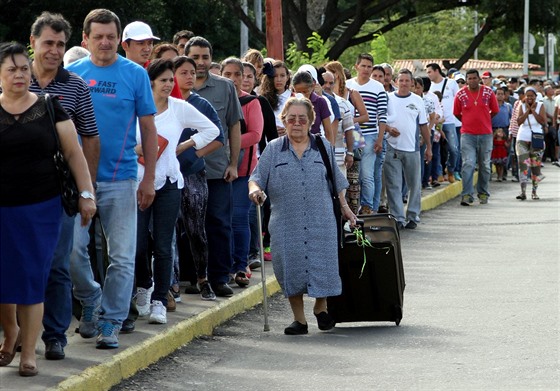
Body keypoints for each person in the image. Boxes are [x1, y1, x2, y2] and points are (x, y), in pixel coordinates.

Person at [0, 42, 96, 376]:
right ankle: (10, 332)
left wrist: (86, 194)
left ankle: (29, 352)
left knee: (31, 276)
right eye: (11, 69)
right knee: (4, 275)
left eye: (24, 68)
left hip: (42, 207)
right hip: (2, 209)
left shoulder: (50, 106)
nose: (19, 75)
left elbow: (74, 154)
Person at [66, 8, 159, 349]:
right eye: (98, 36)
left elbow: (148, 128)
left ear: (118, 40)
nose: (104, 42)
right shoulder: (71, 75)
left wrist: (148, 177)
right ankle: (90, 298)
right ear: (85, 40)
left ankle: (111, 321)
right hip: (79, 181)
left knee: (122, 256)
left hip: (121, 179)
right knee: (74, 253)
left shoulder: (134, 75)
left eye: (110, 36)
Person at [248, 97, 356, 335]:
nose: (296, 123)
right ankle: (299, 320)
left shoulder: (323, 147)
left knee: (323, 265)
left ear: (310, 122)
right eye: (291, 119)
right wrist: (255, 190)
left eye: (302, 119)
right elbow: (256, 178)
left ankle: (321, 307)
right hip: (286, 222)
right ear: (284, 120)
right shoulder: (274, 148)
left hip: (321, 220)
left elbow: (337, 184)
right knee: (291, 267)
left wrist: (346, 209)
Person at [27, 11, 100, 361]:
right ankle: (16, 336)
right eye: (48, 43)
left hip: (59, 192)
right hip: (13, 193)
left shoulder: (75, 86)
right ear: (33, 43)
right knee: (17, 263)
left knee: (57, 264)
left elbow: (90, 138)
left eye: (60, 44)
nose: (54, 51)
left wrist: (87, 190)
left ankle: (55, 335)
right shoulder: (10, 80)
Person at [134, 59, 219, 324]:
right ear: (150, 83)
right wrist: (134, 150)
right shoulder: (135, 107)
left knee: (162, 244)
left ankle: (160, 298)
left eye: (172, 80)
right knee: (136, 244)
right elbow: (117, 138)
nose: (169, 85)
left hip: (169, 183)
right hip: (136, 183)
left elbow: (213, 130)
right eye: (164, 80)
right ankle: (143, 288)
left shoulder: (180, 107)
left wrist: (186, 145)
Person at [185, 36, 243, 297]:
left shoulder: (225, 87)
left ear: (211, 58)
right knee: (187, 226)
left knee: (218, 223)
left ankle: (220, 277)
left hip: (218, 169)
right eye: (195, 57)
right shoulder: (174, 85)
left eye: (205, 57)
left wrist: (233, 163)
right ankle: (191, 277)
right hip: (183, 169)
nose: (200, 62)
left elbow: (233, 125)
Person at [172, 55, 224, 301]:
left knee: (195, 229)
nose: (190, 76)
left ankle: (203, 278)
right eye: (184, 72)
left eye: (192, 72)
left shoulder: (201, 104)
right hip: (166, 175)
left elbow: (218, 137)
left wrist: (195, 153)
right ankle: (171, 284)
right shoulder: (163, 102)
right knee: (168, 232)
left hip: (193, 174)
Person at [220, 57, 263, 286]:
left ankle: (240, 266)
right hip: (215, 169)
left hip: (244, 171)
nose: (234, 79)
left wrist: (227, 141)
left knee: (238, 218)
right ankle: (222, 268)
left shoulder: (251, 102)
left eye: (238, 74)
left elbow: (255, 135)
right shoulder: (215, 99)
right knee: (220, 221)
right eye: (228, 74)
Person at [384, 69, 432, 229]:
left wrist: (429, 147)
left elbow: (423, 125)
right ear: (396, 81)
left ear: (412, 83)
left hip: (412, 148)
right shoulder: (388, 99)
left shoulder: (418, 100)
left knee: (414, 184)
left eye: (407, 80)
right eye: (401, 80)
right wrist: (389, 130)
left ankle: (412, 215)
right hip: (392, 148)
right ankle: (397, 217)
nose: (404, 83)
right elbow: (381, 121)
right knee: (394, 185)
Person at [346, 54, 387, 215]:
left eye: (369, 66)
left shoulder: (378, 87)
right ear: (356, 66)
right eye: (363, 66)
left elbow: (382, 115)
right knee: (352, 173)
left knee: (367, 174)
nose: (366, 69)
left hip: (370, 134)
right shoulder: (348, 85)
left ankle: (367, 206)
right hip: (352, 134)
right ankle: (352, 206)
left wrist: (380, 138)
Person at [453, 69, 499, 206]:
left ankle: (483, 192)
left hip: (485, 134)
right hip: (468, 135)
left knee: (484, 165)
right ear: (466, 80)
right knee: (468, 164)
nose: (472, 81)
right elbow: (456, 113)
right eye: (469, 78)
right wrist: (468, 122)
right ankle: (466, 194)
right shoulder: (460, 94)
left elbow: (495, 110)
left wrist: (484, 120)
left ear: (479, 79)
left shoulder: (488, 92)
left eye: (474, 78)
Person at [426, 63, 461, 183]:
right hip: (435, 123)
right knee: (436, 150)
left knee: (453, 149)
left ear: (437, 71)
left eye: (429, 72)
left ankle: (450, 170)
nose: (428, 74)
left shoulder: (451, 83)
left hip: (450, 121)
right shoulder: (429, 87)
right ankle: (439, 173)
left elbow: (459, 99)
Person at [514, 87, 547, 200]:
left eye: (531, 96)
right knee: (522, 165)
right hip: (522, 138)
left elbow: (542, 121)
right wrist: (527, 110)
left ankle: (534, 192)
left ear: (535, 96)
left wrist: (533, 110)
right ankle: (523, 192)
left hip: (536, 138)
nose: (529, 98)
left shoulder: (540, 106)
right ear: (524, 96)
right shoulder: (521, 105)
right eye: (527, 96)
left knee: (535, 166)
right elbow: (519, 122)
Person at [291, 70, 333, 144]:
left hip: (315, 146)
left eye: (305, 92)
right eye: (299, 92)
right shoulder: (290, 102)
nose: (302, 96)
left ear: (312, 87)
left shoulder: (320, 102)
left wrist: (330, 153)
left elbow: (328, 132)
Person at [259, 60, 292, 136]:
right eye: (275, 76)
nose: (279, 79)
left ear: (287, 77)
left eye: (282, 75)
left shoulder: (297, 97)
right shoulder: (263, 99)